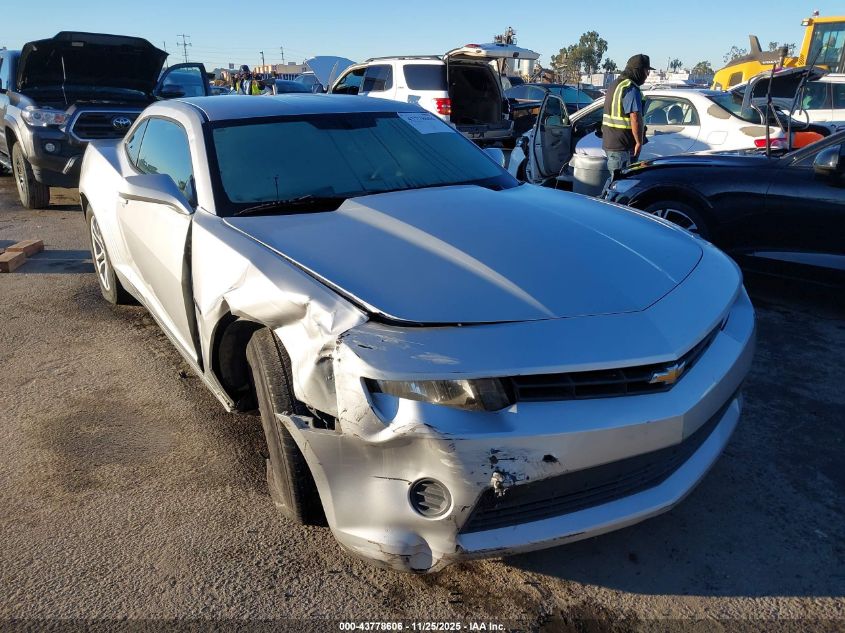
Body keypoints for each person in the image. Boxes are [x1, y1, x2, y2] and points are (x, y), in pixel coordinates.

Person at [602, 54, 655, 174]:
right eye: (647, 71)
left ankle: (604, 194)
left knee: (615, 182)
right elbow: (635, 117)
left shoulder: (615, 84)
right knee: (620, 184)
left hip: (612, 143)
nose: (647, 75)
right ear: (638, 70)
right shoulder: (630, 88)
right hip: (622, 146)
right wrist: (639, 142)